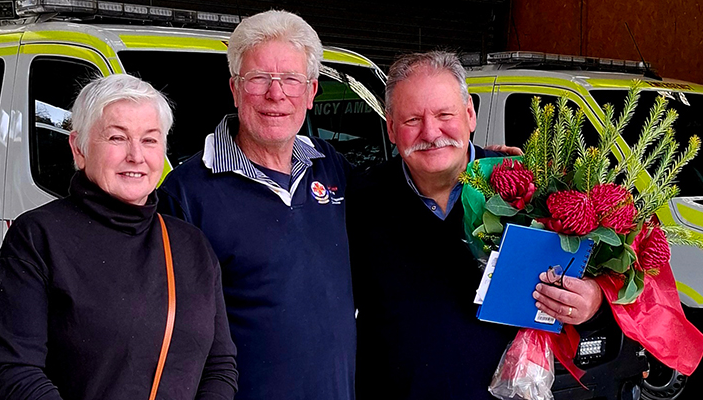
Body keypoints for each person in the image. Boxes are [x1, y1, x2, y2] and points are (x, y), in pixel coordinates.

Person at [347, 51, 604, 399]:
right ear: (391, 128)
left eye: (444, 114)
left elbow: (599, 281)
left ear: (469, 114)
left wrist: (592, 301)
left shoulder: (527, 189)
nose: (431, 132)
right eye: (412, 120)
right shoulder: (358, 200)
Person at [0, 74, 238, 400]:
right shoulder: (37, 238)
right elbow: (14, 372)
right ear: (79, 148)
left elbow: (219, 365)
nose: (136, 155)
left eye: (149, 140)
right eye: (117, 138)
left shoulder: (191, 246)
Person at [157, 10, 355, 400]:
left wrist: (481, 169)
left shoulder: (330, 166)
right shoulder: (185, 194)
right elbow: (169, 336)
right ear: (234, 88)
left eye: (291, 80)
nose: (276, 94)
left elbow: (406, 197)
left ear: (312, 92)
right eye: (259, 79)